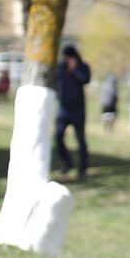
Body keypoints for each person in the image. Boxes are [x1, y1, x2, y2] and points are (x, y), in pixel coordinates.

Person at [53, 44, 91, 179]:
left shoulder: (83, 67)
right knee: (58, 136)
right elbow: (56, 82)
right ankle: (66, 162)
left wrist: (75, 69)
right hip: (64, 109)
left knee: (81, 140)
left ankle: (83, 169)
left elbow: (85, 79)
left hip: (78, 109)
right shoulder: (61, 68)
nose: (67, 60)